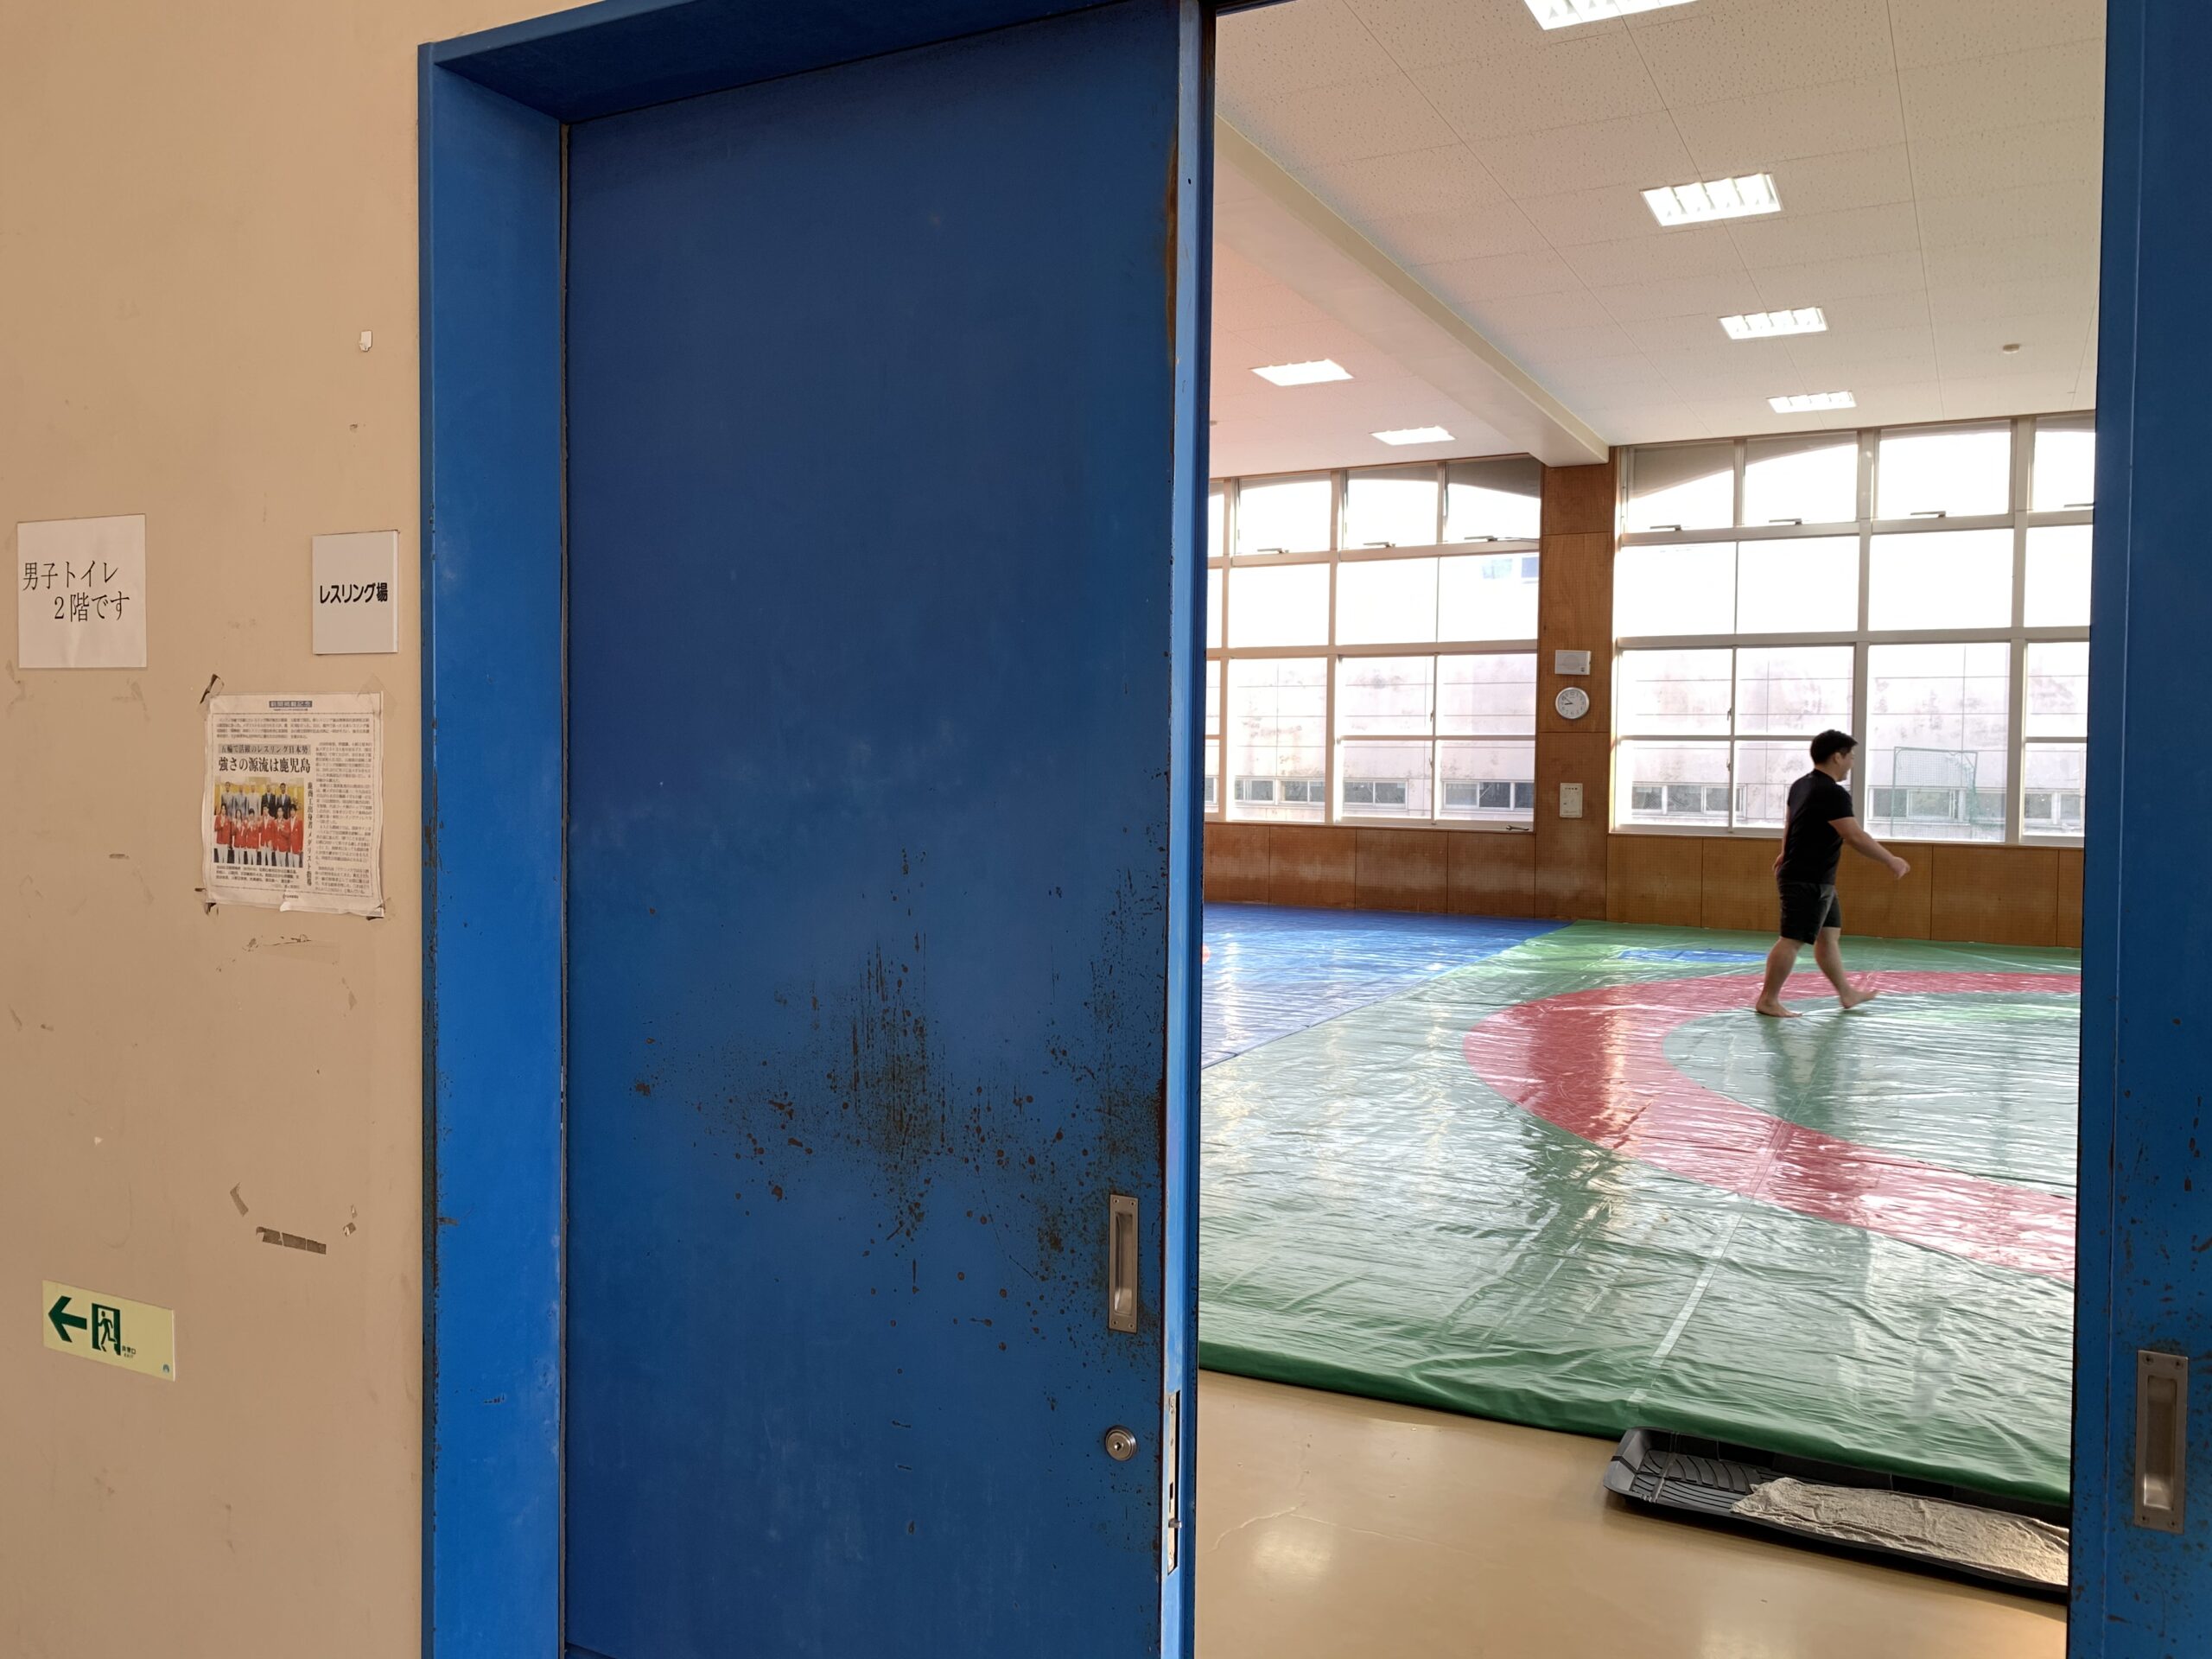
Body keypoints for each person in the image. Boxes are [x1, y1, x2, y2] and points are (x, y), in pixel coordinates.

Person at [1754, 728, 1910, 1019]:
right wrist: (1891, 860)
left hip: (1817, 877)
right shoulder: (1832, 793)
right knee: (1792, 938)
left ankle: (1846, 993)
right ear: (1837, 757)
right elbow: (1853, 835)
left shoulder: (1801, 785)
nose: (1852, 762)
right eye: (1851, 756)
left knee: (1828, 936)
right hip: (1808, 877)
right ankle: (1768, 999)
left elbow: (1790, 823)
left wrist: (1785, 852)